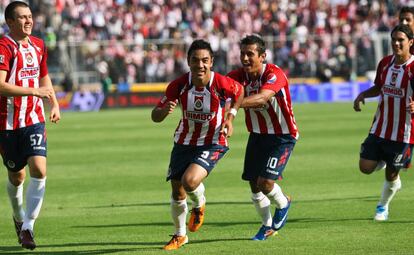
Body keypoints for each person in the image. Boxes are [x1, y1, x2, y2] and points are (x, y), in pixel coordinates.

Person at [151, 39, 243, 250]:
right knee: (177, 191)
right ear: (188, 61)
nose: (200, 65)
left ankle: (199, 202)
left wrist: (230, 117)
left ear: (211, 62)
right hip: (183, 141)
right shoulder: (178, 85)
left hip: (213, 141)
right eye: (195, 60)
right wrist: (164, 112)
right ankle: (180, 235)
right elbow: (155, 116)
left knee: (189, 181)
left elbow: (239, 93)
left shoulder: (220, 83)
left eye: (204, 60)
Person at [0, 1, 60, 250]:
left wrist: (54, 103)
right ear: (10, 22)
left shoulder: (38, 45)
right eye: (22, 17)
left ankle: (28, 227)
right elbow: (1, 86)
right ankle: (18, 216)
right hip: (7, 123)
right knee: (17, 175)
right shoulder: (4, 46)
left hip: (34, 119)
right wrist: (33, 91)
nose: (28, 21)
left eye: (30, 16)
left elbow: (44, 76)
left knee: (39, 168)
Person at [227, 35, 299, 241]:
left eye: (250, 54)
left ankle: (284, 203)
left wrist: (234, 106)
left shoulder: (274, 74)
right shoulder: (237, 76)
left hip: (282, 136)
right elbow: (219, 91)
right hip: (257, 135)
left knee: (266, 182)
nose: (245, 58)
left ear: (263, 56)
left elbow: (262, 98)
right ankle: (267, 225)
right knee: (253, 184)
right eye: (243, 54)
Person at [353, 24, 414, 221]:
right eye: (394, 40)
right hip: (380, 127)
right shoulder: (385, 63)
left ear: (410, 42)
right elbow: (378, 87)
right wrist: (363, 94)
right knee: (365, 167)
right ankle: (386, 162)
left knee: (391, 174)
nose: (396, 43)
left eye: (401, 40)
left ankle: (382, 207)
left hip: (404, 132)